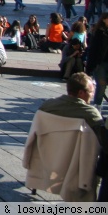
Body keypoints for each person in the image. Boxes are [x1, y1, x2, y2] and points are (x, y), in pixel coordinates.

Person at [25, 73, 108, 202]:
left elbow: (32, 136)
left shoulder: (46, 107)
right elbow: (104, 142)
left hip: (47, 157)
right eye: (91, 92)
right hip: (75, 165)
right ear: (81, 93)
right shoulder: (91, 114)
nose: (92, 96)